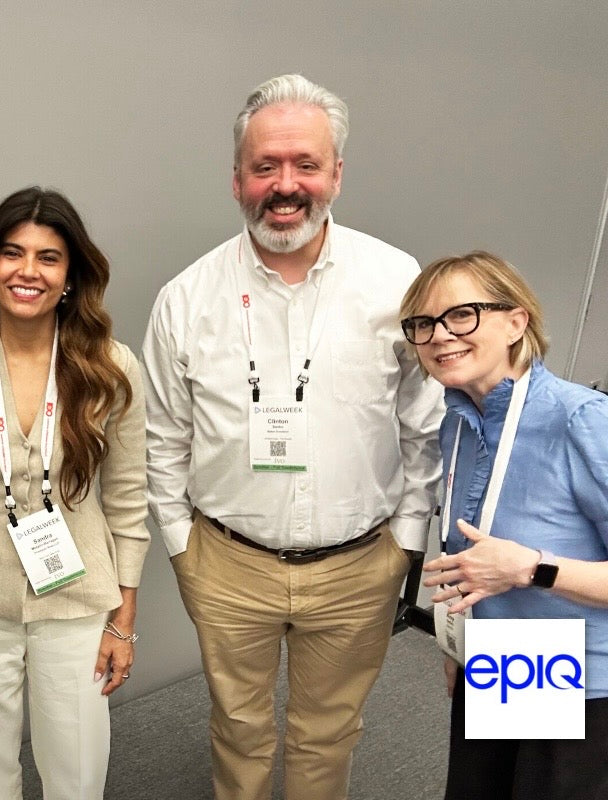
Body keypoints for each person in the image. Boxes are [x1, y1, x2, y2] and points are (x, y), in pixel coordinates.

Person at [142, 74, 443, 800]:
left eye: (305, 164)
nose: (285, 185)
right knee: (238, 728)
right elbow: (162, 439)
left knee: (327, 733)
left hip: (358, 566)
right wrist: (183, 546)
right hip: (227, 564)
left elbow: (424, 422)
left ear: (336, 173)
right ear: (237, 179)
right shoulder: (186, 299)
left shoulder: (395, 282)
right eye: (265, 166)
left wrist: (405, 540)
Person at [0, 186, 148, 799]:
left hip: (77, 593)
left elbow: (126, 499)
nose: (28, 271)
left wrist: (123, 621)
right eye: (13, 253)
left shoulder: (110, 368)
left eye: (49, 257)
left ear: (70, 276)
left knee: (76, 770)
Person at [399, 251, 608, 800]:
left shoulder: (581, 420)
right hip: (505, 663)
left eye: (462, 314)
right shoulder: (459, 422)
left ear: (517, 322)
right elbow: (463, 547)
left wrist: (532, 569)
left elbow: (513, 564)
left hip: (583, 680)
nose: (440, 335)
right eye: (423, 323)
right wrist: (458, 648)